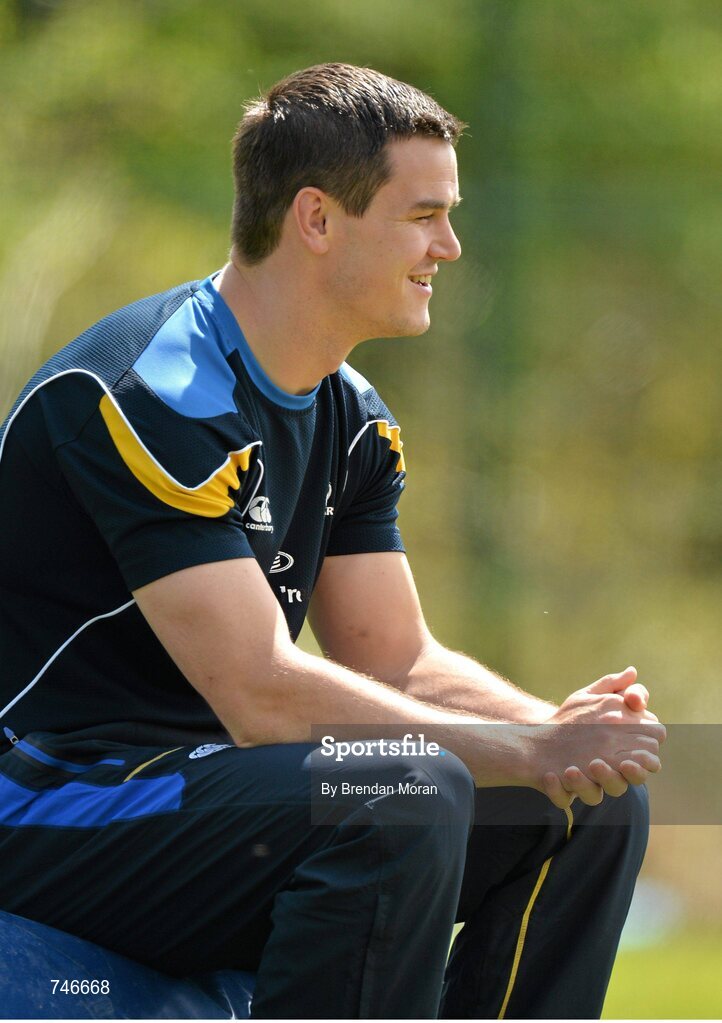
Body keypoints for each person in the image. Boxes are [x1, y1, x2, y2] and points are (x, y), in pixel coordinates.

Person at [0, 63, 664, 1019]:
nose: (450, 246)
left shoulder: (352, 416)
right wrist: (527, 743)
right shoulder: (156, 393)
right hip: (62, 797)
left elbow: (397, 659)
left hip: (221, 797)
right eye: (424, 215)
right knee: (401, 791)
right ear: (316, 219)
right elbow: (260, 691)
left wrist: (566, 743)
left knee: (589, 804)